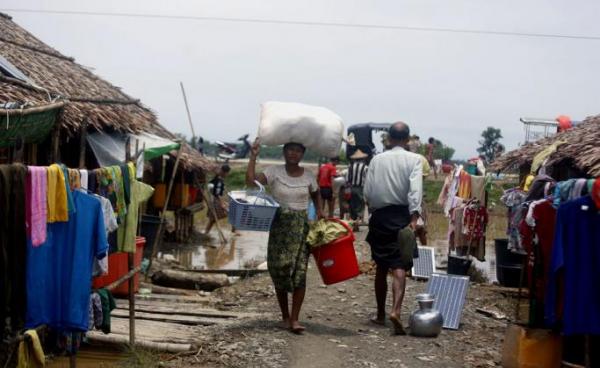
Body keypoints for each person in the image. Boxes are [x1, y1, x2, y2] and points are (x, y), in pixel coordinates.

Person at [246, 139, 323, 334]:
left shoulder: (308, 175)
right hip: (279, 226)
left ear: (302, 154)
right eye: (290, 150)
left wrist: (320, 212)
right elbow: (250, 182)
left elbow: (316, 193)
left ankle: (295, 319)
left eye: (297, 151)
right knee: (278, 268)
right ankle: (284, 316)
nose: (293, 154)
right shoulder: (273, 172)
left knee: (299, 272)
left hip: (300, 228)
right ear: (284, 152)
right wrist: (253, 156)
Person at [364, 122, 423, 335]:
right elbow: (415, 191)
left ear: (388, 139)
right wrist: (414, 219)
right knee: (400, 265)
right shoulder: (415, 159)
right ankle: (396, 310)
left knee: (380, 265)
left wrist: (372, 210)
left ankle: (380, 314)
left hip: (380, 215)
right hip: (402, 216)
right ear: (407, 140)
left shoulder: (376, 160)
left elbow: (368, 190)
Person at [204, 164, 231, 235]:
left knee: (213, 219)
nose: (227, 174)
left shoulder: (218, 178)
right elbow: (218, 194)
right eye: (227, 173)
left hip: (215, 200)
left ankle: (206, 232)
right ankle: (234, 231)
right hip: (216, 201)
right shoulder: (219, 181)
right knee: (230, 213)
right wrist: (222, 204)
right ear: (225, 172)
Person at [346, 149, 369, 225]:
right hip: (361, 188)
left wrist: (347, 188)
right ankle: (359, 221)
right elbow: (366, 179)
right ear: (362, 158)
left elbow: (347, 179)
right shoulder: (365, 167)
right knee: (360, 204)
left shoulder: (350, 166)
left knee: (352, 204)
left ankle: (353, 220)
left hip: (352, 188)